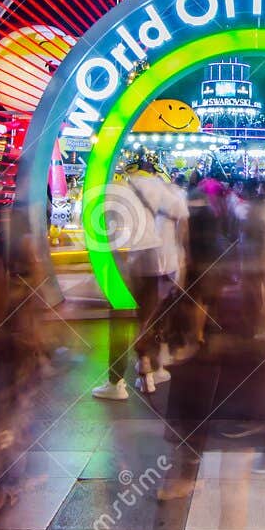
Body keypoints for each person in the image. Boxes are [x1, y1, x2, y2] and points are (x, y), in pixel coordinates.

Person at [92, 156, 189, 401]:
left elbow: (104, 226)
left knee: (121, 321)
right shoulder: (161, 187)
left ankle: (116, 383)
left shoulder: (118, 188)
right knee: (148, 320)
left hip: (126, 260)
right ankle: (150, 370)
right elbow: (182, 216)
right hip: (157, 261)